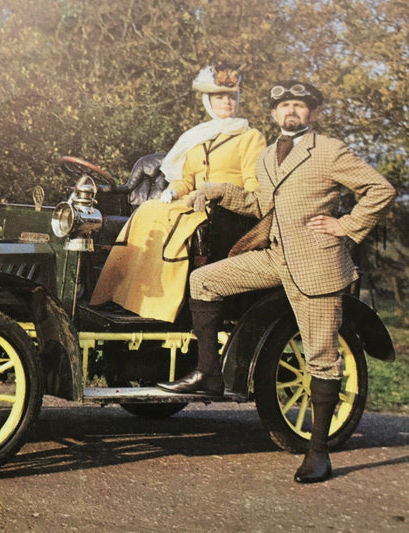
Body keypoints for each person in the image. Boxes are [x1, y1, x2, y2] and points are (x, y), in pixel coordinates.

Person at [157, 79, 396, 483]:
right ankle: (209, 374)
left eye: (300, 106)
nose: (292, 112)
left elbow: (380, 189)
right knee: (204, 281)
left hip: (317, 264)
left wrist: (347, 226)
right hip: (274, 257)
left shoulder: (330, 150)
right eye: (284, 106)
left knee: (321, 356)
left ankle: (318, 451)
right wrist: (216, 190)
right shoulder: (268, 156)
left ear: (313, 113)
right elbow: (259, 205)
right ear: (273, 114)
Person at [90, 65, 266, 322]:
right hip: (192, 201)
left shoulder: (250, 137)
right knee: (149, 210)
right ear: (208, 101)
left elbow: (253, 185)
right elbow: (186, 179)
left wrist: (229, 198)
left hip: (224, 211)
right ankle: (125, 295)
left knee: (176, 224)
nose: (227, 102)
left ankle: (159, 305)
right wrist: (172, 191)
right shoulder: (198, 137)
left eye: (231, 97)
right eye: (220, 97)